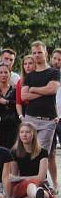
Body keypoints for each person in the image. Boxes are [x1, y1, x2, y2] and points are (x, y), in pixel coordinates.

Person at [20, 41, 60, 189]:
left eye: (39, 52)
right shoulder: (30, 75)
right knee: (28, 152)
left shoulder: (54, 72)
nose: (37, 55)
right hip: (30, 119)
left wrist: (33, 90)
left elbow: (53, 90)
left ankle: (40, 185)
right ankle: (30, 184)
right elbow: (24, 96)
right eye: (34, 52)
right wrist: (43, 90)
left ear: (46, 53)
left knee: (42, 153)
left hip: (48, 120)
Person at [9, 122, 50, 198]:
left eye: (27, 132)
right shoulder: (14, 152)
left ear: (33, 134)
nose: (24, 135)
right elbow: (14, 177)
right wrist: (21, 179)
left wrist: (21, 178)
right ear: (19, 135)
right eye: (22, 132)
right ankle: (35, 197)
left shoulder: (43, 152)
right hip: (22, 186)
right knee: (31, 185)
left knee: (46, 197)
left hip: (39, 184)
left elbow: (41, 178)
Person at [0, 63, 18, 150]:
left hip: (12, 126)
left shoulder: (14, 90)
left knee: (10, 151)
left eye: (6, 72)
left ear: (10, 74)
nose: (3, 75)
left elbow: (18, 105)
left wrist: (6, 102)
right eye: (1, 72)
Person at [16, 54, 35, 121]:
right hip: (26, 111)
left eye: (30, 63)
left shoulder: (41, 78)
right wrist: (21, 117)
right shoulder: (20, 81)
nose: (27, 66)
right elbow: (18, 102)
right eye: (25, 64)